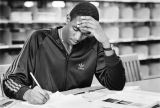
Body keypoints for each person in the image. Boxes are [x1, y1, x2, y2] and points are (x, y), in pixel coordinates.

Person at [3, 2, 126, 105]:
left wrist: (105, 43)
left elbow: (116, 85)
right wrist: (27, 93)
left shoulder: (94, 44)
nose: (78, 37)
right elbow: (9, 80)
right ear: (67, 19)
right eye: (75, 29)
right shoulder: (39, 39)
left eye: (86, 33)